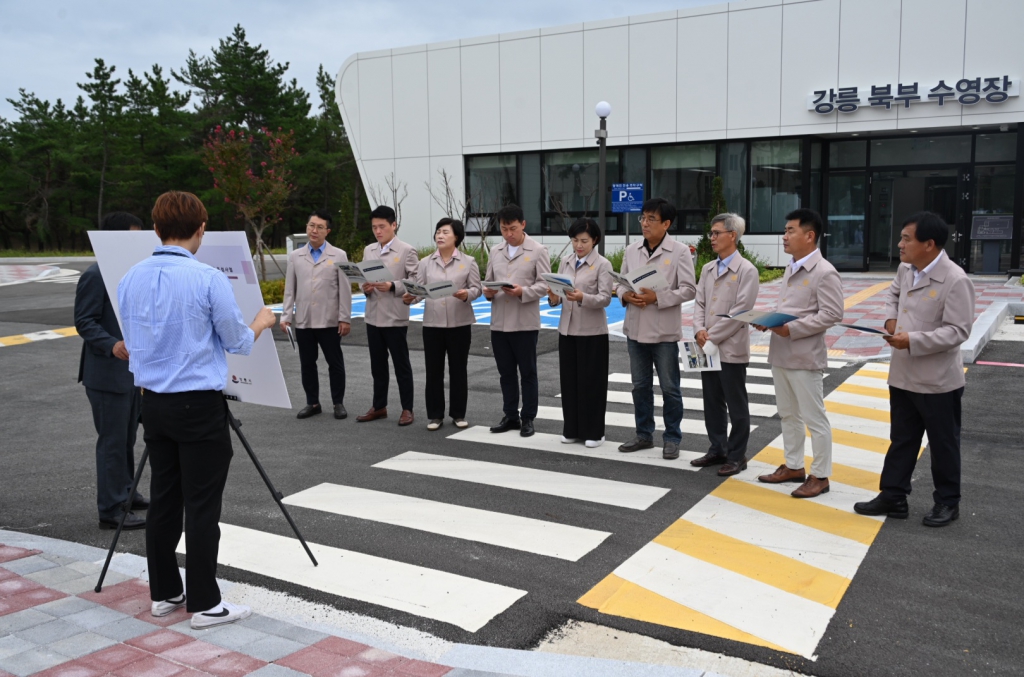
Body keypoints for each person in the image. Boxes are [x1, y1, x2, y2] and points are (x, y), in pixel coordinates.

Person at [118, 191, 277, 629]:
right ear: (201, 229)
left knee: (165, 500)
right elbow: (238, 342)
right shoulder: (207, 278)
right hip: (197, 405)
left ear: (156, 228)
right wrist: (262, 320)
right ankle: (206, 603)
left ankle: (165, 592)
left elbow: (133, 342)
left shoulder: (130, 277)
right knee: (203, 505)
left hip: (154, 405)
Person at [854, 212, 974, 527]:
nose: (900, 244)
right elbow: (893, 294)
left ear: (929, 244)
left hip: (937, 381)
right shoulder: (907, 269)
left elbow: (958, 331)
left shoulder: (955, 279)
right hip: (903, 374)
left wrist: (913, 340)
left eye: (907, 238)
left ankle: (947, 502)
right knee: (902, 438)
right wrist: (891, 321)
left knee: (943, 443)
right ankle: (893, 496)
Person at [756, 208, 843, 498]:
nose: (784, 236)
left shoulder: (824, 272)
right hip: (781, 353)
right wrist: (769, 321)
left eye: (790, 230)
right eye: (785, 230)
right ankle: (793, 466)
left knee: (814, 418)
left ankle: (820, 475)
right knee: (788, 415)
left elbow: (832, 314)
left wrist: (791, 328)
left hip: (805, 357)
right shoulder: (793, 267)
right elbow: (793, 310)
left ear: (810, 235)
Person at [75, 211, 148, 531]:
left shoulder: (130, 273)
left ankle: (126, 492)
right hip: (107, 374)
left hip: (131, 373)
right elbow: (85, 321)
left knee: (127, 437)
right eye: (132, 235)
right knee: (112, 441)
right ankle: (110, 509)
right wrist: (111, 344)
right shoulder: (96, 274)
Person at [615, 198, 697, 460]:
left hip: (663, 332)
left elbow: (688, 289)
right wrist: (625, 296)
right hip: (636, 328)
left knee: (670, 388)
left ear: (666, 224)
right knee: (640, 386)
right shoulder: (632, 250)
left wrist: (657, 298)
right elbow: (620, 282)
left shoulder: (680, 251)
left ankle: (672, 438)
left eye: (651, 219)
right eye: (643, 218)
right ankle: (643, 434)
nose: (645, 223)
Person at [690, 213, 759, 475]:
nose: (712, 238)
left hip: (729, 348)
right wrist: (699, 330)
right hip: (706, 345)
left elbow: (742, 311)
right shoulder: (708, 268)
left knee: (735, 403)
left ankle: (737, 455)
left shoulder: (747, 270)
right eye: (711, 233)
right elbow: (699, 304)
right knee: (712, 400)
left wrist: (711, 335)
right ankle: (717, 448)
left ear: (733, 235)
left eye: (717, 233)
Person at [403, 218, 481, 431]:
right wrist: (411, 297)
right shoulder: (425, 262)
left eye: (445, 232)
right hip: (433, 324)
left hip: (460, 323)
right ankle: (435, 415)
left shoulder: (469, 261)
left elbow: (477, 288)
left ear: (456, 237)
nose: (440, 235)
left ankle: (458, 414)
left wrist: (467, 294)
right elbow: (419, 290)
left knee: (458, 370)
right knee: (434, 371)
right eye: (438, 232)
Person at [484, 204, 551, 438]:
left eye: (512, 228)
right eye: (504, 229)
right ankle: (510, 414)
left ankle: (528, 417)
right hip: (500, 322)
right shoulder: (495, 251)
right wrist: (488, 291)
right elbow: (488, 281)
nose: (508, 234)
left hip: (524, 322)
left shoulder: (538, 250)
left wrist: (523, 291)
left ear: (523, 225)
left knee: (528, 372)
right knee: (506, 373)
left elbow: (544, 285)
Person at [547, 218, 613, 448]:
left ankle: (594, 432)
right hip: (567, 330)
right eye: (575, 240)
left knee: (591, 383)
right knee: (570, 381)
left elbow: (605, 298)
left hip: (592, 332)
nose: (579, 245)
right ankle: (572, 428)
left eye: (584, 240)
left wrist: (582, 297)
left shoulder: (603, 264)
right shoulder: (565, 262)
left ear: (594, 240)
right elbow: (557, 295)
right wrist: (553, 297)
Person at [281, 210, 352, 421]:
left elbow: (345, 289)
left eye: (320, 227)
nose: (314, 230)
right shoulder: (295, 256)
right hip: (304, 320)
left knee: (335, 363)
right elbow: (290, 289)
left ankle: (338, 402)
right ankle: (312, 402)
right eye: (311, 225)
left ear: (327, 231)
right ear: (306, 227)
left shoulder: (339, 255)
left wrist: (344, 318)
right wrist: (286, 316)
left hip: (330, 320)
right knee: (307, 363)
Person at [356, 205, 420, 426]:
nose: (378, 231)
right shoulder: (369, 250)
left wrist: (392, 285)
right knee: (377, 365)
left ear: (394, 225)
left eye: (382, 226)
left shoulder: (407, 250)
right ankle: (379, 406)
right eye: (374, 227)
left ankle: (407, 409)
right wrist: (364, 287)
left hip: (394, 316)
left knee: (401, 365)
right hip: (373, 316)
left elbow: (415, 282)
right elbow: (363, 278)